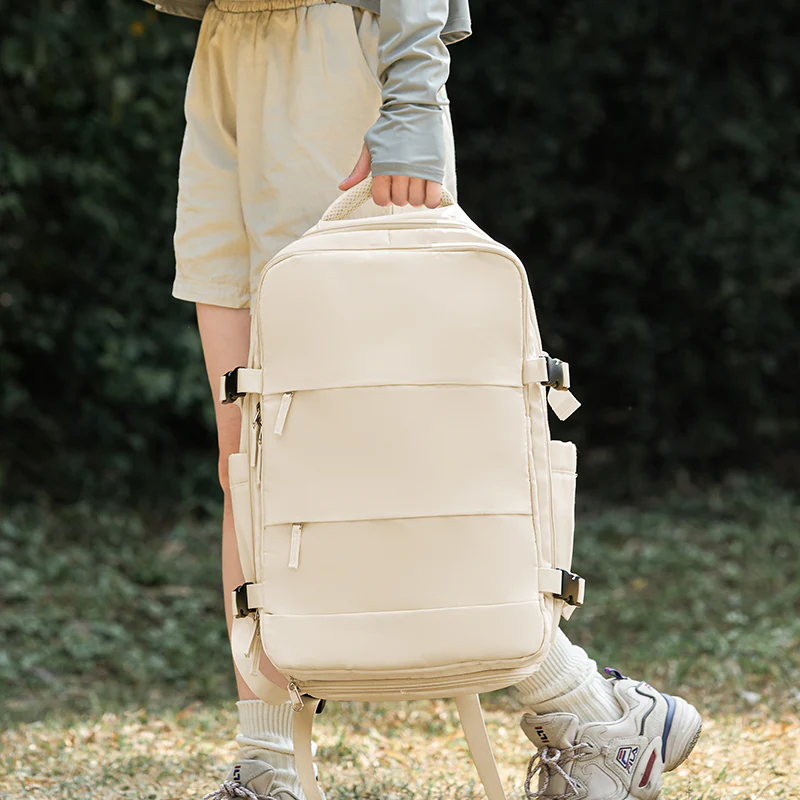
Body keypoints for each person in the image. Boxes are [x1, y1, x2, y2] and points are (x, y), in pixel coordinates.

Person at [147, 0, 703, 797]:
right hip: (227, 51)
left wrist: (411, 106)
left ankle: (590, 709)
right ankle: (268, 765)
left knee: (374, 442)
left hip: (333, 53)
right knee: (247, 457)